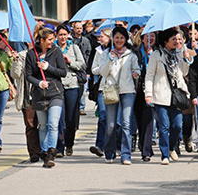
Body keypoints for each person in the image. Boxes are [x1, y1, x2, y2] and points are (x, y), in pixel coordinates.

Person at [145, 28, 190, 165]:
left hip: (176, 95)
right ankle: (165, 154)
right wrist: (148, 94)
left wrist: (187, 59)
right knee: (164, 126)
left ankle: (171, 148)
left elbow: (184, 72)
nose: (177, 42)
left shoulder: (178, 54)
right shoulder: (156, 55)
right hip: (161, 94)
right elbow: (150, 75)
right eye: (174, 39)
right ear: (166, 41)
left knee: (177, 125)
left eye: (178, 39)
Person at [25, 27, 67, 168]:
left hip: (55, 93)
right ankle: (43, 151)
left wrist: (48, 67)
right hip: (39, 95)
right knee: (42, 126)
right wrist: (39, 82)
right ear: (41, 40)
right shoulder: (32, 54)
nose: (52, 42)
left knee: (53, 124)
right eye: (49, 40)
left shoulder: (56, 52)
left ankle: (50, 153)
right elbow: (28, 75)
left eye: (53, 39)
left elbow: (63, 72)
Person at [98, 26, 140, 165]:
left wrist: (136, 73)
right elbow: (103, 73)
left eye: (122, 38)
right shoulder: (105, 54)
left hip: (128, 91)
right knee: (110, 125)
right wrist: (110, 60)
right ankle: (109, 152)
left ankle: (126, 154)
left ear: (125, 39)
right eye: (116, 37)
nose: (119, 40)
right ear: (112, 39)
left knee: (126, 124)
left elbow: (137, 69)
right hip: (111, 90)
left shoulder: (131, 55)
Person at [54, 24, 86, 157]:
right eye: (60, 35)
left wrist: (70, 62)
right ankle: (59, 147)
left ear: (68, 35)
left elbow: (83, 65)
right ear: (57, 35)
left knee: (71, 118)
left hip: (72, 85)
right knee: (59, 118)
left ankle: (69, 144)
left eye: (64, 35)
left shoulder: (74, 47)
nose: (63, 37)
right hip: (57, 85)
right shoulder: (53, 48)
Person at [133, 30, 156, 161]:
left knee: (148, 119)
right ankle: (143, 144)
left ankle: (146, 150)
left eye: (152, 36)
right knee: (140, 120)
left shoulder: (157, 52)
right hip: (137, 89)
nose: (150, 38)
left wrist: (151, 57)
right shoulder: (135, 52)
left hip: (151, 90)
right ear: (142, 39)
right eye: (147, 36)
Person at [89, 28, 112, 158]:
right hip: (103, 87)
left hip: (117, 87)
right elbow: (94, 70)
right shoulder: (98, 51)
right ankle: (100, 145)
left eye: (102, 36)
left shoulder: (120, 51)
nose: (100, 38)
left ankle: (116, 144)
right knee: (103, 116)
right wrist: (104, 66)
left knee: (116, 120)